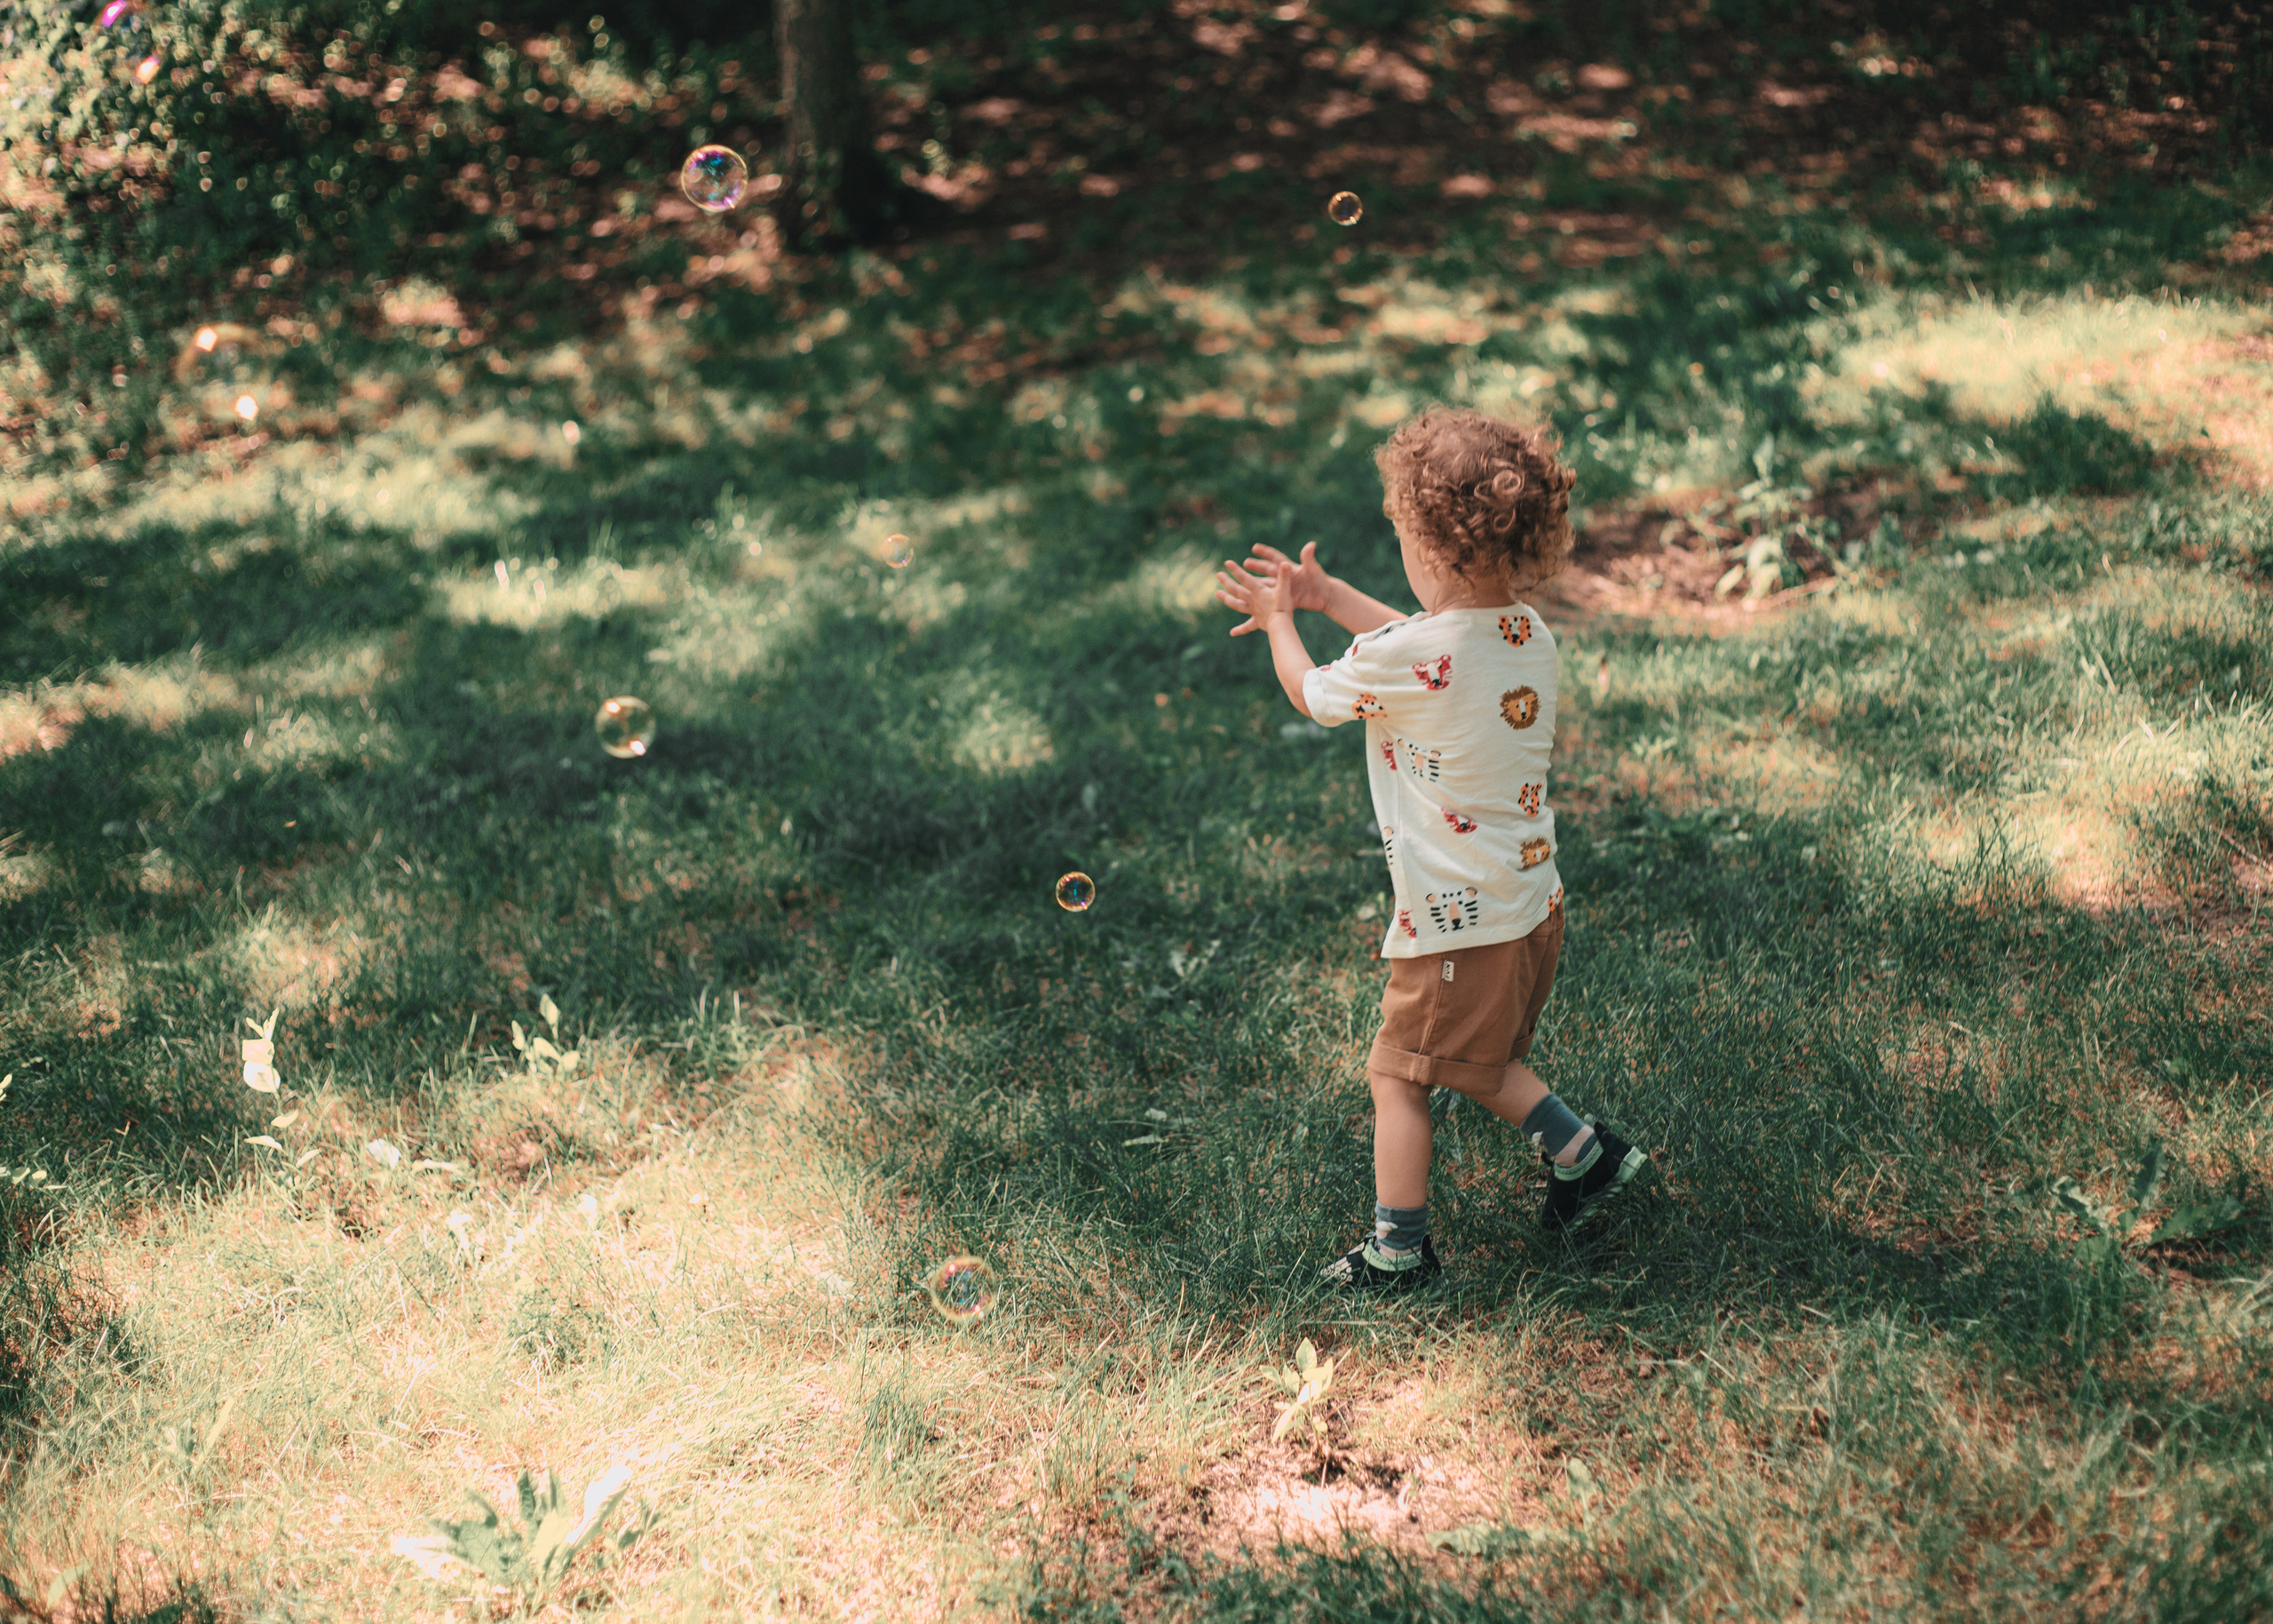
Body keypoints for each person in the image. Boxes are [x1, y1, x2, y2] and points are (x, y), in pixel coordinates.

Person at [1213, 408, 1648, 1291]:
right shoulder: (1527, 635)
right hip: (1528, 905)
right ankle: (1586, 1157)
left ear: (1433, 549)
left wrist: (1279, 622)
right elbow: (1424, 649)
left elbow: (1319, 694)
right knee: (1476, 1059)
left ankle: (1397, 1252)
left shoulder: (1421, 651)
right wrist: (1331, 598)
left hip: (1458, 921)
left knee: (1400, 1073)